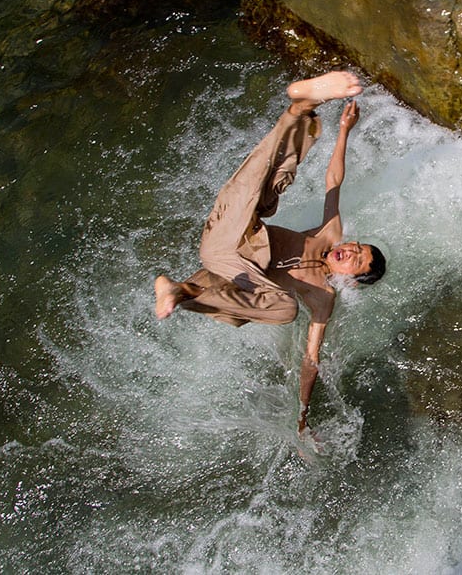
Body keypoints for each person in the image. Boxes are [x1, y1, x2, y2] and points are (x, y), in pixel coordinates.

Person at [154, 71, 387, 436]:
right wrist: (344, 131)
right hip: (233, 229)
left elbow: (311, 360)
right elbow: (333, 182)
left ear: (352, 280)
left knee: (286, 310)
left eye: (356, 259)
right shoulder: (328, 235)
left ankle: (178, 291)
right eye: (355, 246)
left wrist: (302, 417)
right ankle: (302, 107)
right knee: (265, 185)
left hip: (227, 270)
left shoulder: (322, 298)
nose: (348, 250)